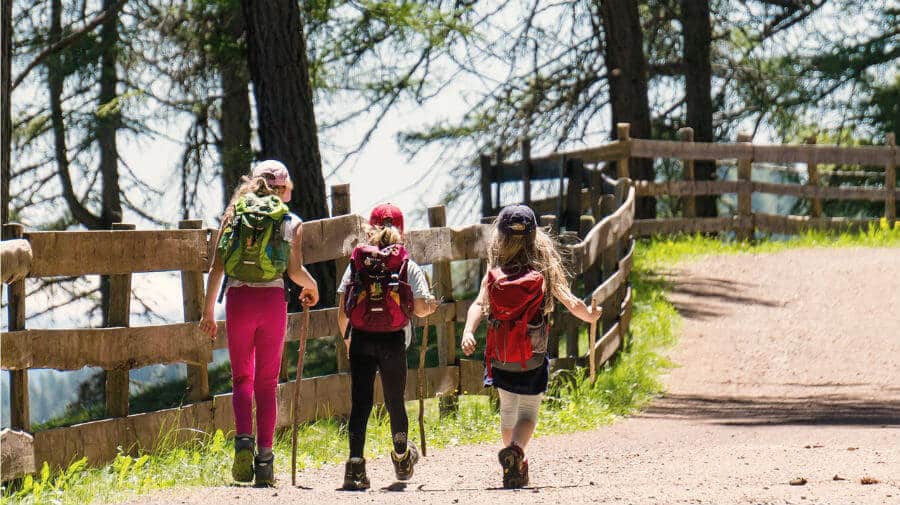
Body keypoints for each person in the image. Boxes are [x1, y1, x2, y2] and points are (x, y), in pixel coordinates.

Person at [460, 204, 601, 489]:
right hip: (533, 355)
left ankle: (514, 464)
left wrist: (468, 331)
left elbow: (479, 303)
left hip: (501, 356)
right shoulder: (542, 264)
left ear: (499, 235)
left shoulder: (495, 265)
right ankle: (516, 453)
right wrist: (589, 315)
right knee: (528, 415)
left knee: (508, 410)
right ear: (535, 235)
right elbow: (568, 299)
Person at [199, 160, 319, 487]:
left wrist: (208, 312)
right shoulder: (290, 222)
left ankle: (242, 442)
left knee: (242, 379)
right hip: (271, 303)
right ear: (283, 188)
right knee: (267, 383)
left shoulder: (233, 215)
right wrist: (312, 287)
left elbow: (217, 269)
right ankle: (265, 460)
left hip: (239, 301)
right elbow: (294, 271)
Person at [337, 203, 438, 490]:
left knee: (360, 404)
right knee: (395, 401)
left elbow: (343, 311)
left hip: (361, 338)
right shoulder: (407, 264)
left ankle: (355, 468)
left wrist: (348, 342)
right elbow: (419, 307)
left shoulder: (357, 264)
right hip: (394, 340)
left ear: (369, 230)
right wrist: (430, 306)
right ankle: (402, 457)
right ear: (402, 232)